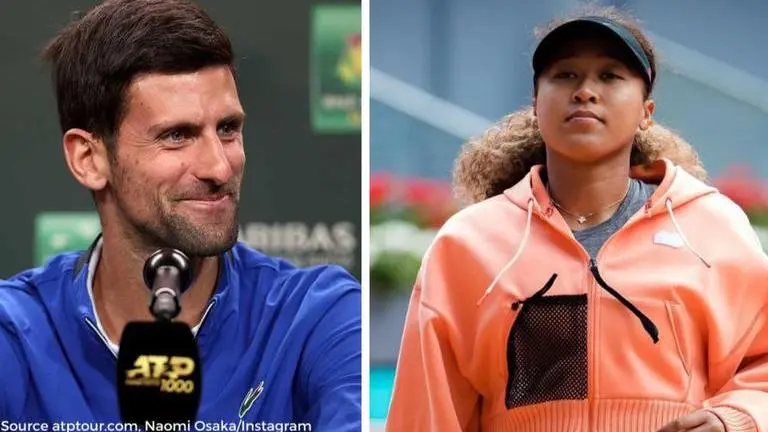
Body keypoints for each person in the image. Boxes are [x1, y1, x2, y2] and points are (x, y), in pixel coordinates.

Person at [386, 6, 768, 432]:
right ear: (536, 104)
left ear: (646, 111)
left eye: (610, 76)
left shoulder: (710, 227)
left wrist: (735, 418)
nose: (585, 91)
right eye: (566, 75)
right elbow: (426, 410)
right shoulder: (467, 243)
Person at [0, 0, 361, 428]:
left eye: (227, 129)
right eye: (177, 135)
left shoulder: (319, 318)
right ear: (89, 158)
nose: (219, 168)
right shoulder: (15, 333)